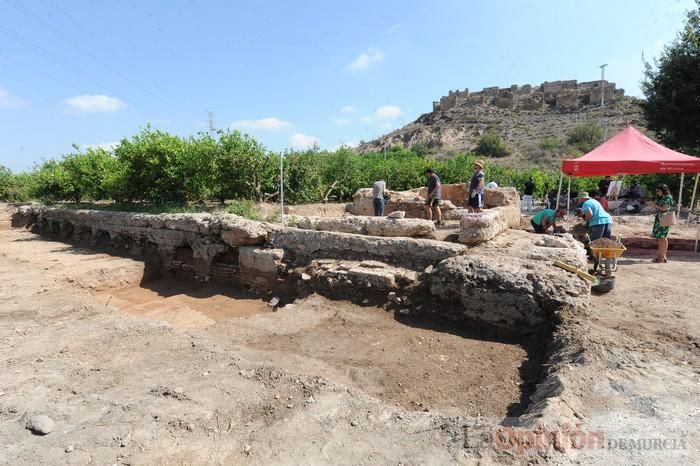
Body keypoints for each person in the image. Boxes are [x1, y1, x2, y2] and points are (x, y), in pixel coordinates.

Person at [647, 184, 674, 263]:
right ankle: (661, 256)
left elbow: (664, 209)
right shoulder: (663, 198)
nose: (657, 193)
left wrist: (654, 205)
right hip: (660, 219)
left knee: (663, 237)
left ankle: (661, 257)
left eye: (658, 191)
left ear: (663, 190)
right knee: (660, 238)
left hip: (664, 219)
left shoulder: (668, 197)